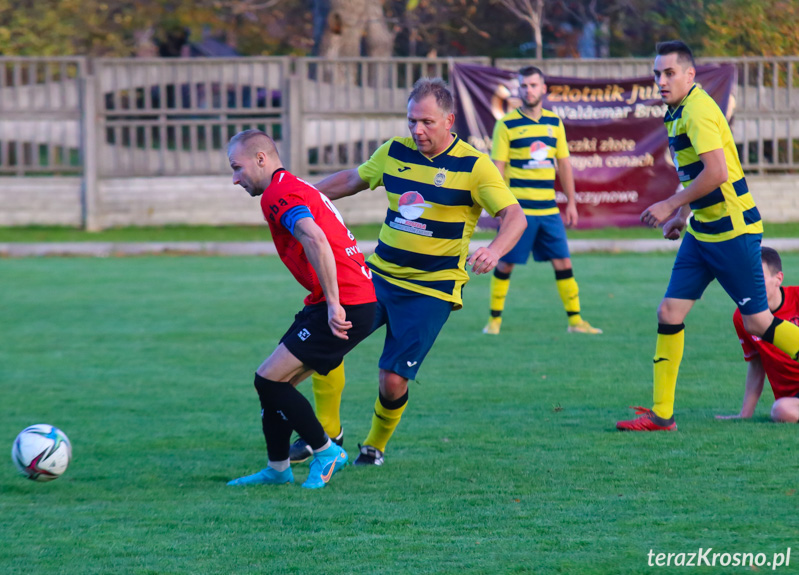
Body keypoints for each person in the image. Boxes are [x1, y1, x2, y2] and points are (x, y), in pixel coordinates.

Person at [291, 77, 527, 466]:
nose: (417, 130)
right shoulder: (394, 151)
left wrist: (496, 249)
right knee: (328, 342)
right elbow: (353, 178)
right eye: (411, 121)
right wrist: (299, 198)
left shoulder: (474, 165)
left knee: (392, 379)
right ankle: (327, 433)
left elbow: (514, 215)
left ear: (449, 120)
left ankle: (374, 445)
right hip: (378, 276)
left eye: (427, 122)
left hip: (430, 290)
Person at [616, 41, 799, 431]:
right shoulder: (676, 111)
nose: (660, 81)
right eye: (656, 74)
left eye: (668, 73)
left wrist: (669, 204)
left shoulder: (697, 111)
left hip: (732, 230)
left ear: (689, 75)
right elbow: (692, 172)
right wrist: (683, 214)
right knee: (669, 313)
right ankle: (662, 416)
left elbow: (717, 173)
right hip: (702, 231)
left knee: (758, 324)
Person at [225, 129, 377, 488]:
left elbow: (314, 237)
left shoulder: (278, 193)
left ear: (261, 159)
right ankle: (277, 470)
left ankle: (326, 451)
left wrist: (335, 304)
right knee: (276, 384)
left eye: (237, 167)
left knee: (268, 378)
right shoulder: (293, 185)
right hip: (342, 299)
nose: (234, 179)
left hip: (347, 302)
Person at [482, 65, 602, 336]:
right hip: (519, 212)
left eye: (534, 85)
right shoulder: (507, 124)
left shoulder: (553, 123)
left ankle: (575, 322)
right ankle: (494, 322)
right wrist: (500, 209)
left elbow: (564, 165)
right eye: (524, 86)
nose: (529, 90)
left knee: (563, 262)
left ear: (543, 88)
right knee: (505, 262)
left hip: (549, 210)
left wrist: (571, 203)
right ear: (519, 90)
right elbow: (496, 168)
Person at [717, 247, 799, 423]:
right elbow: (756, 364)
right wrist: (744, 414)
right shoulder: (743, 317)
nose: (751, 285)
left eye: (758, 278)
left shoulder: (797, 297)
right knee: (780, 411)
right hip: (792, 399)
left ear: (778, 279)